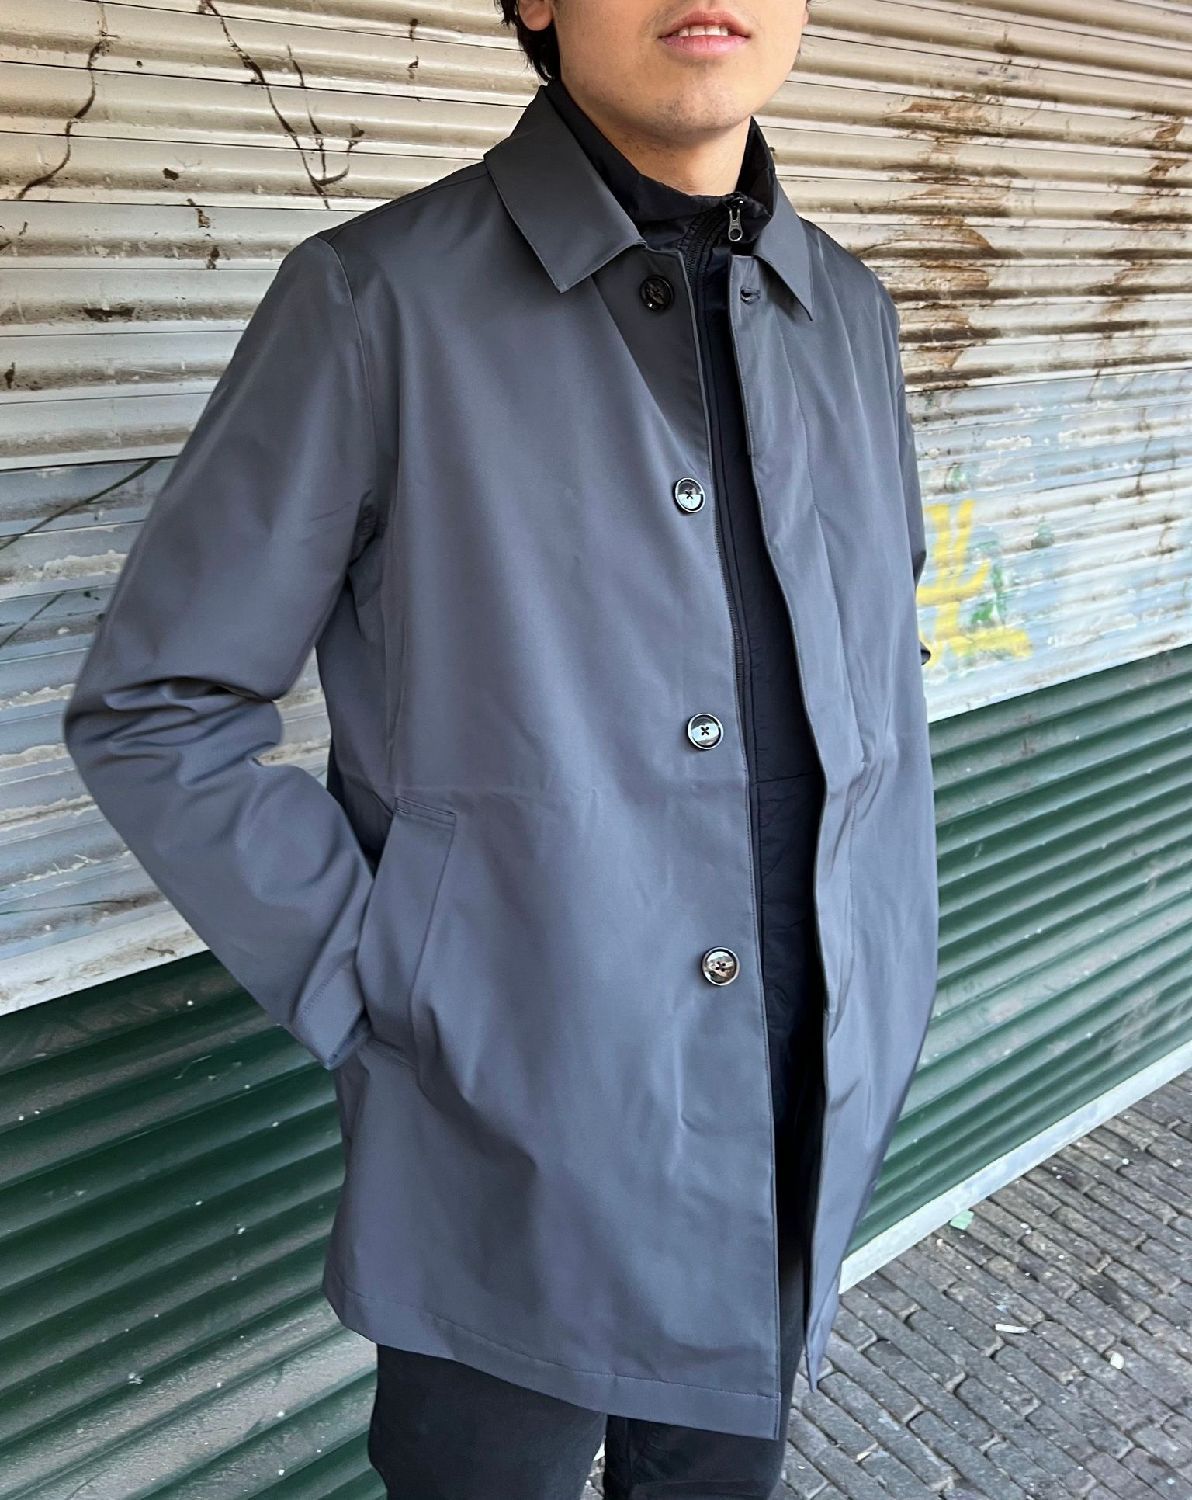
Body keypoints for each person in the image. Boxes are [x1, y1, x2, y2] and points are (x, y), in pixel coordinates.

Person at [62, 1, 939, 1496]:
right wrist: (387, 983)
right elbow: (159, 706)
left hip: (798, 1115)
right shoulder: (377, 302)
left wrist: (891, 959)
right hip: (506, 1145)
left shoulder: (847, 315)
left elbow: (879, 673)